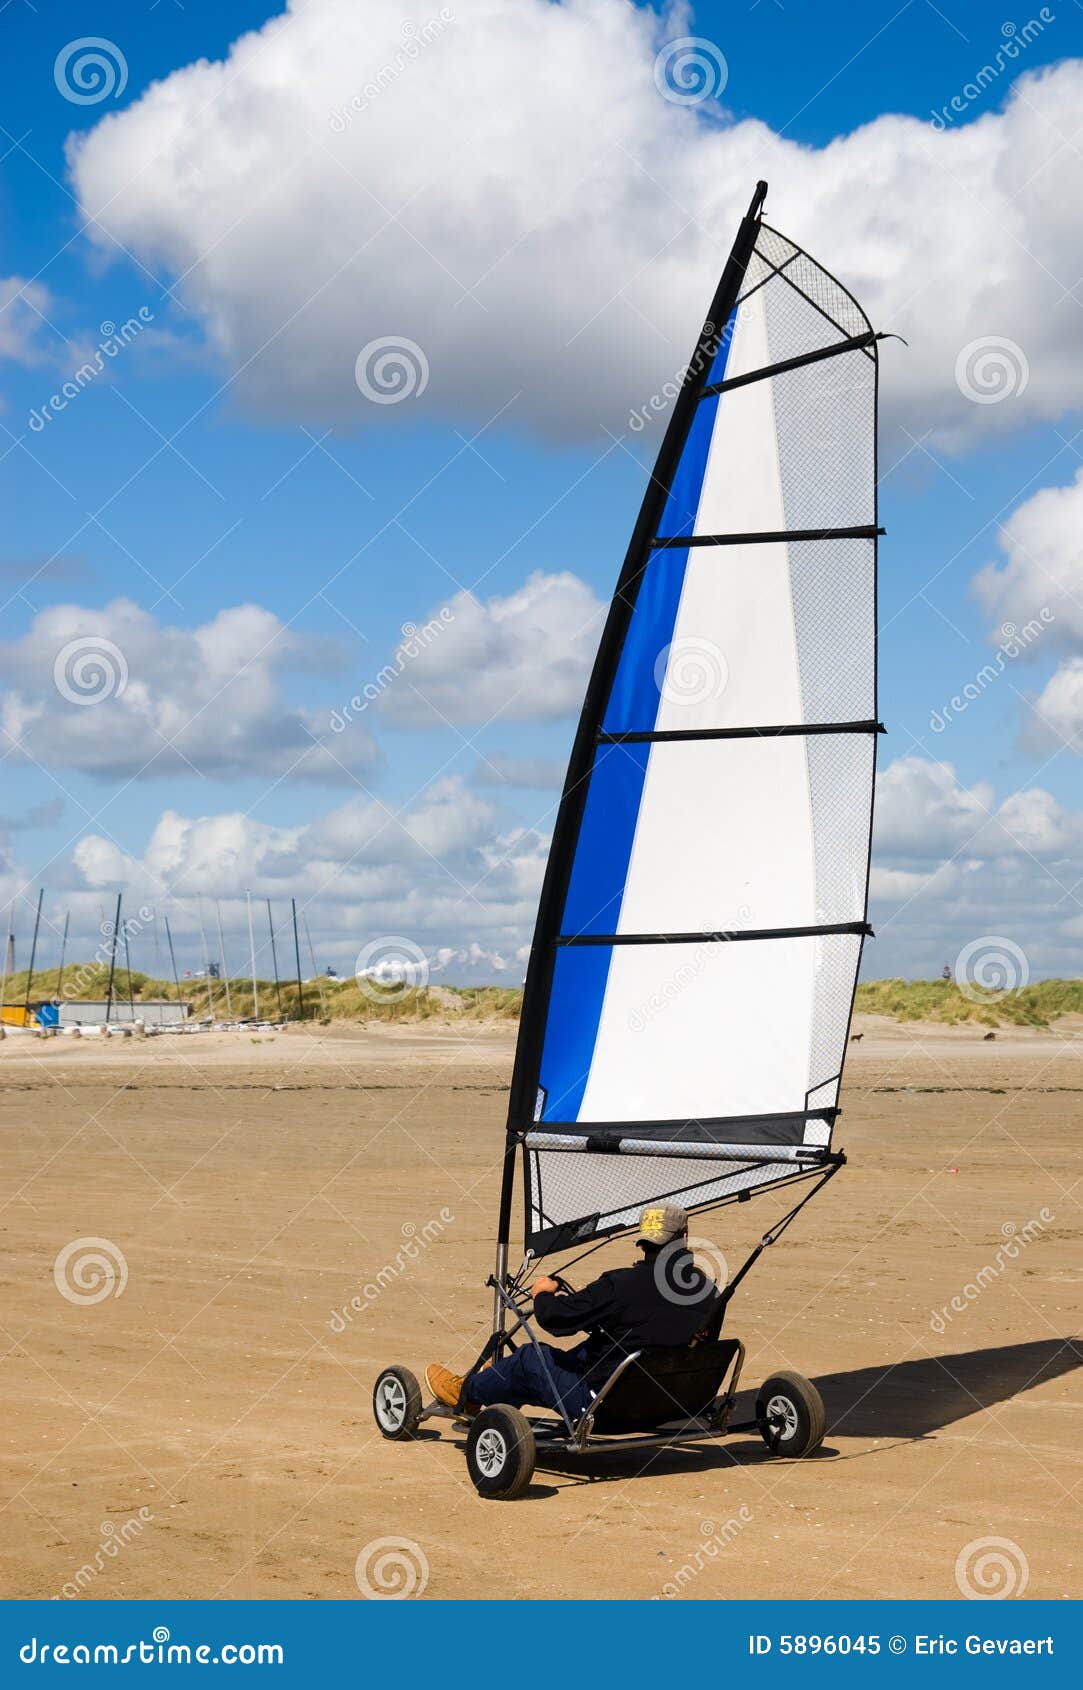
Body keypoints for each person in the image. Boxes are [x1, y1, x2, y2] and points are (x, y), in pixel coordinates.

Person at [425, 1203, 723, 1421]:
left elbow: (556, 1320)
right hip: (673, 1402)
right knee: (587, 1350)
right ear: (684, 1237)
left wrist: (543, 1293)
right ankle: (494, 1385)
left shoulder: (621, 1285)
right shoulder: (710, 1292)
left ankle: (465, 1394)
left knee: (530, 1358)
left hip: (604, 1407)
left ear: (644, 1240)